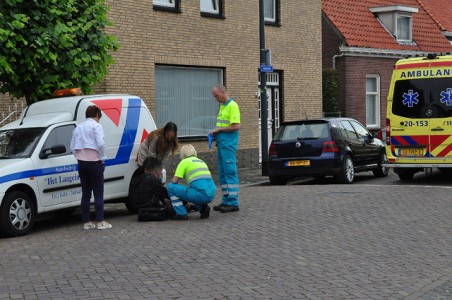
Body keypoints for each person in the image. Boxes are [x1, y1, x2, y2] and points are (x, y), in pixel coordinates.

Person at [70, 105, 112, 230]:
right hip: (94, 163)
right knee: (98, 192)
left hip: (82, 164)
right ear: (98, 115)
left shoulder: (78, 128)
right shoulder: (96, 126)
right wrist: (102, 158)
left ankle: (86, 222)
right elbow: (100, 143)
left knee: (85, 193)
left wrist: (79, 157)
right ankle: (100, 221)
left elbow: (72, 147)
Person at [210, 85, 240, 213]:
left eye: (216, 96)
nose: (215, 98)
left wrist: (219, 130)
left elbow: (236, 126)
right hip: (222, 144)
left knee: (230, 172)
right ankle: (226, 200)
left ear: (223, 92)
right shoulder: (223, 106)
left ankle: (233, 202)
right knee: (222, 174)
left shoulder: (233, 106)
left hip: (228, 145)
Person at [167, 144, 217, 220]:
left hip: (200, 194)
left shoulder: (184, 162)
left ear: (183, 154)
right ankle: (203, 209)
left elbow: (174, 181)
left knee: (171, 187)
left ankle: (181, 213)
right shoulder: (201, 161)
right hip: (211, 193)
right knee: (193, 190)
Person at [132, 157, 174, 221]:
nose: (160, 173)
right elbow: (165, 193)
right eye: (159, 169)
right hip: (151, 208)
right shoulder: (152, 179)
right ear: (154, 169)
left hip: (141, 209)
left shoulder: (138, 178)